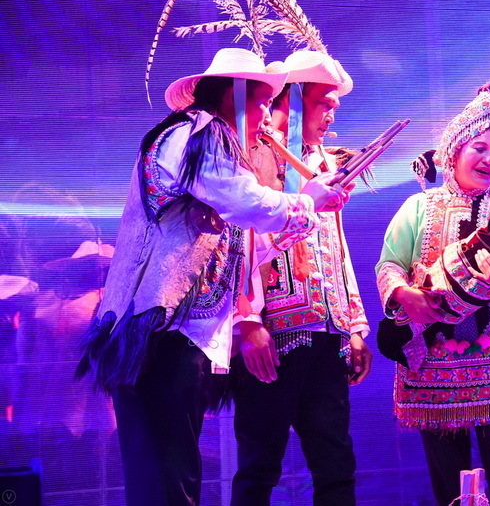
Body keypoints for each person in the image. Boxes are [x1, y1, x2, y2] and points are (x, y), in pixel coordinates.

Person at [77, 47, 346, 506]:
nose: (267, 117)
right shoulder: (198, 133)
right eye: (261, 103)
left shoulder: (215, 152)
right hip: (161, 334)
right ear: (232, 96)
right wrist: (308, 200)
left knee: (174, 475)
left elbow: (245, 246)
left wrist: (308, 212)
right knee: (167, 479)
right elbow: (249, 203)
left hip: (180, 338)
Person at [375, 85, 490, 506]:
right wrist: (404, 294)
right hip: (433, 363)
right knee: (450, 486)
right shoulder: (418, 207)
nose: (489, 159)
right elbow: (389, 265)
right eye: (479, 148)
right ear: (453, 152)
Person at [230, 49, 372, 506]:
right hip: (272, 336)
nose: (332, 114)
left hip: (327, 334)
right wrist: (246, 321)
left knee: (337, 467)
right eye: (323, 103)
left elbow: (337, 245)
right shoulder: (250, 153)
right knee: (259, 467)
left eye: (334, 106)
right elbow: (233, 242)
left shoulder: (324, 165)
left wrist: (354, 325)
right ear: (292, 99)